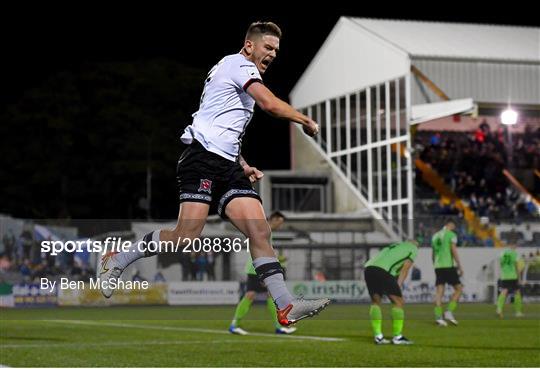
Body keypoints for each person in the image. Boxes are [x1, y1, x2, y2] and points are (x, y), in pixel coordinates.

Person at [97, 21, 329, 326]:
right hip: (202, 161)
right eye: (267, 48)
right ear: (250, 46)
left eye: (276, 50)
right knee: (185, 237)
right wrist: (305, 120)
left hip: (227, 165)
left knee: (260, 231)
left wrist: (242, 163)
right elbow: (269, 104)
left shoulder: (233, 70)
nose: (272, 54)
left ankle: (285, 307)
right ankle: (118, 258)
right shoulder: (239, 65)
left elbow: (219, 124)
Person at [229, 211, 296, 335]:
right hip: (258, 268)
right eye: (279, 222)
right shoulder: (265, 230)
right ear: (274, 219)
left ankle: (278, 326)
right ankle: (235, 325)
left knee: (267, 295)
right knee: (253, 295)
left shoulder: (265, 230)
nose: (280, 226)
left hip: (257, 267)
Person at [364, 240, 419, 345]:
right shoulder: (413, 248)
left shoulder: (394, 246)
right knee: (398, 302)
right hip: (382, 270)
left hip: (369, 268)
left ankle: (378, 336)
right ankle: (397, 337)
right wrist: (398, 287)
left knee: (376, 302)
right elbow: (405, 269)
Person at [431, 221, 463, 326]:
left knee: (439, 291)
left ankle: (438, 317)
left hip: (438, 266)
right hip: (448, 265)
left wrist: (435, 265)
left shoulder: (435, 236)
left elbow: (433, 254)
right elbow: (453, 250)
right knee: (459, 288)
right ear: (450, 224)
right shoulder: (451, 235)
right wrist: (459, 265)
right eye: (454, 225)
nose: (454, 227)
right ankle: (449, 311)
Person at [496, 243, 524, 318]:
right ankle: (518, 312)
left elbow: (501, 264)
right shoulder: (514, 254)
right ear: (513, 245)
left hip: (504, 276)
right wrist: (519, 278)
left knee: (504, 291)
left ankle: (499, 309)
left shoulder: (502, 253)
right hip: (513, 276)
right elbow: (516, 266)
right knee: (517, 292)